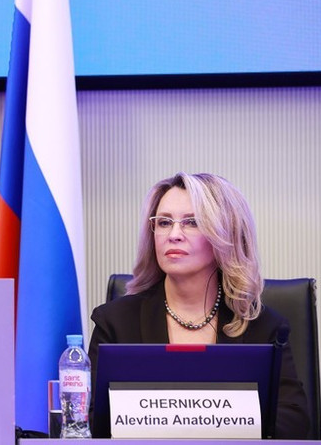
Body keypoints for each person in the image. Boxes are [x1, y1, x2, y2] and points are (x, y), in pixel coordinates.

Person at [87, 172, 309, 439]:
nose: (174, 235)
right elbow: (90, 420)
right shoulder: (115, 322)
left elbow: (293, 420)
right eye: (164, 222)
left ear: (226, 234)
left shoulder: (263, 327)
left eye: (192, 222)